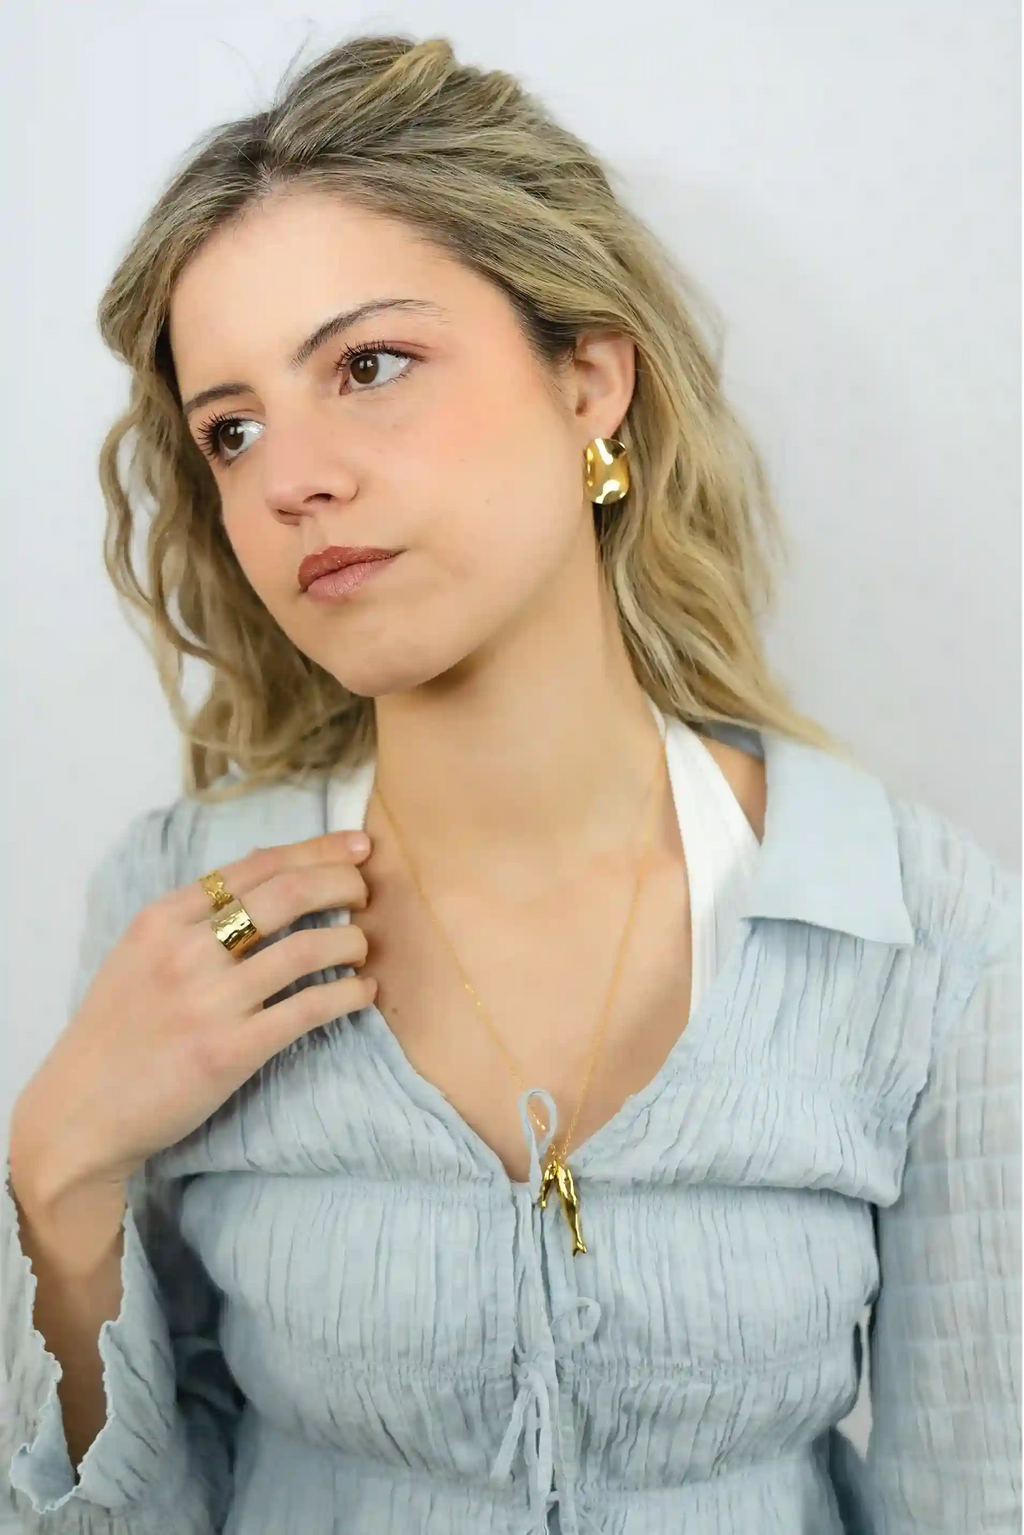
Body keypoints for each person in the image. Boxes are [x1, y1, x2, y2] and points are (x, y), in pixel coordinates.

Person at [2, 30, 1019, 1535]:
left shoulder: (917, 928)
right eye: (233, 428)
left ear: (589, 381)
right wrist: (57, 1175)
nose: (290, 477)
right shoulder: (185, 908)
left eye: (369, 366)